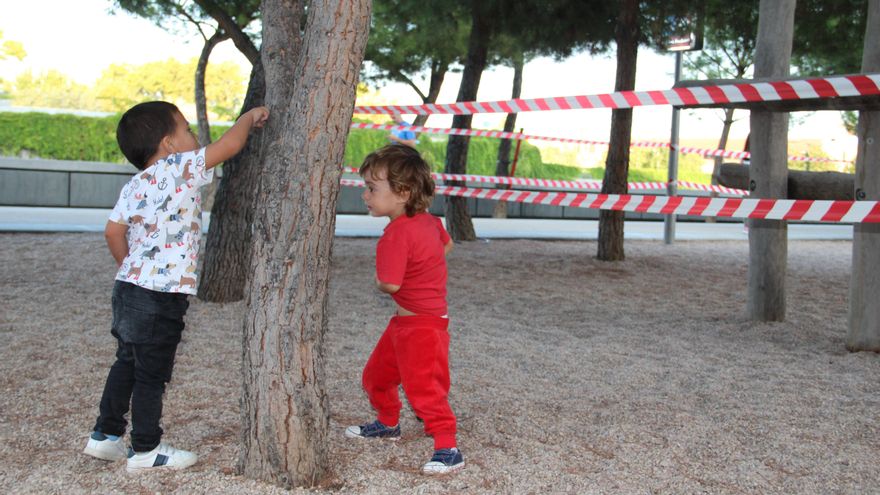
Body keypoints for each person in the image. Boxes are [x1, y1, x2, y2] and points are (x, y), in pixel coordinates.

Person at [82, 101, 269, 473]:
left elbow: (112, 231)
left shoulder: (133, 184)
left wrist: (131, 268)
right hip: (160, 295)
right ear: (168, 144)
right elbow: (229, 146)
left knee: (127, 361)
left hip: (128, 288)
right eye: (187, 130)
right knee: (152, 373)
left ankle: (105, 436)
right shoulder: (178, 167)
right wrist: (248, 117)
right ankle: (146, 450)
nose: (194, 137)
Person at [344, 145, 464, 475]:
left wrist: (382, 277)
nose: (365, 196)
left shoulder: (395, 236)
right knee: (377, 377)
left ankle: (448, 447)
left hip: (422, 328)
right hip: (407, 322)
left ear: (403, 193)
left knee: (425, 390)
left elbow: (389, 285)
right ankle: (387, 423)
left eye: (372, 188)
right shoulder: (428, 221)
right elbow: (447, 245)